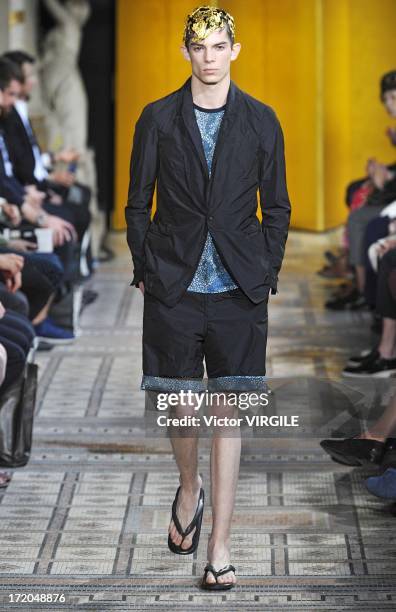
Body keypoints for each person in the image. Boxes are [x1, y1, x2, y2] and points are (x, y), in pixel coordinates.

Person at [125, 6, 291, 590]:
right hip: (173, 282)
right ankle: (188, 486)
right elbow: (136, 198)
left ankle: (218, 546)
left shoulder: (262, 120)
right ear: (186, 53)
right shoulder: (157, 118)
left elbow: (278, 206)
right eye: (199, 47)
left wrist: (266, 268)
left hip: (240, 288)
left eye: (220, 46)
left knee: (227, 413)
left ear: (234, 50)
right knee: (180, 408)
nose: (210, 56)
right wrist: (145, 265)